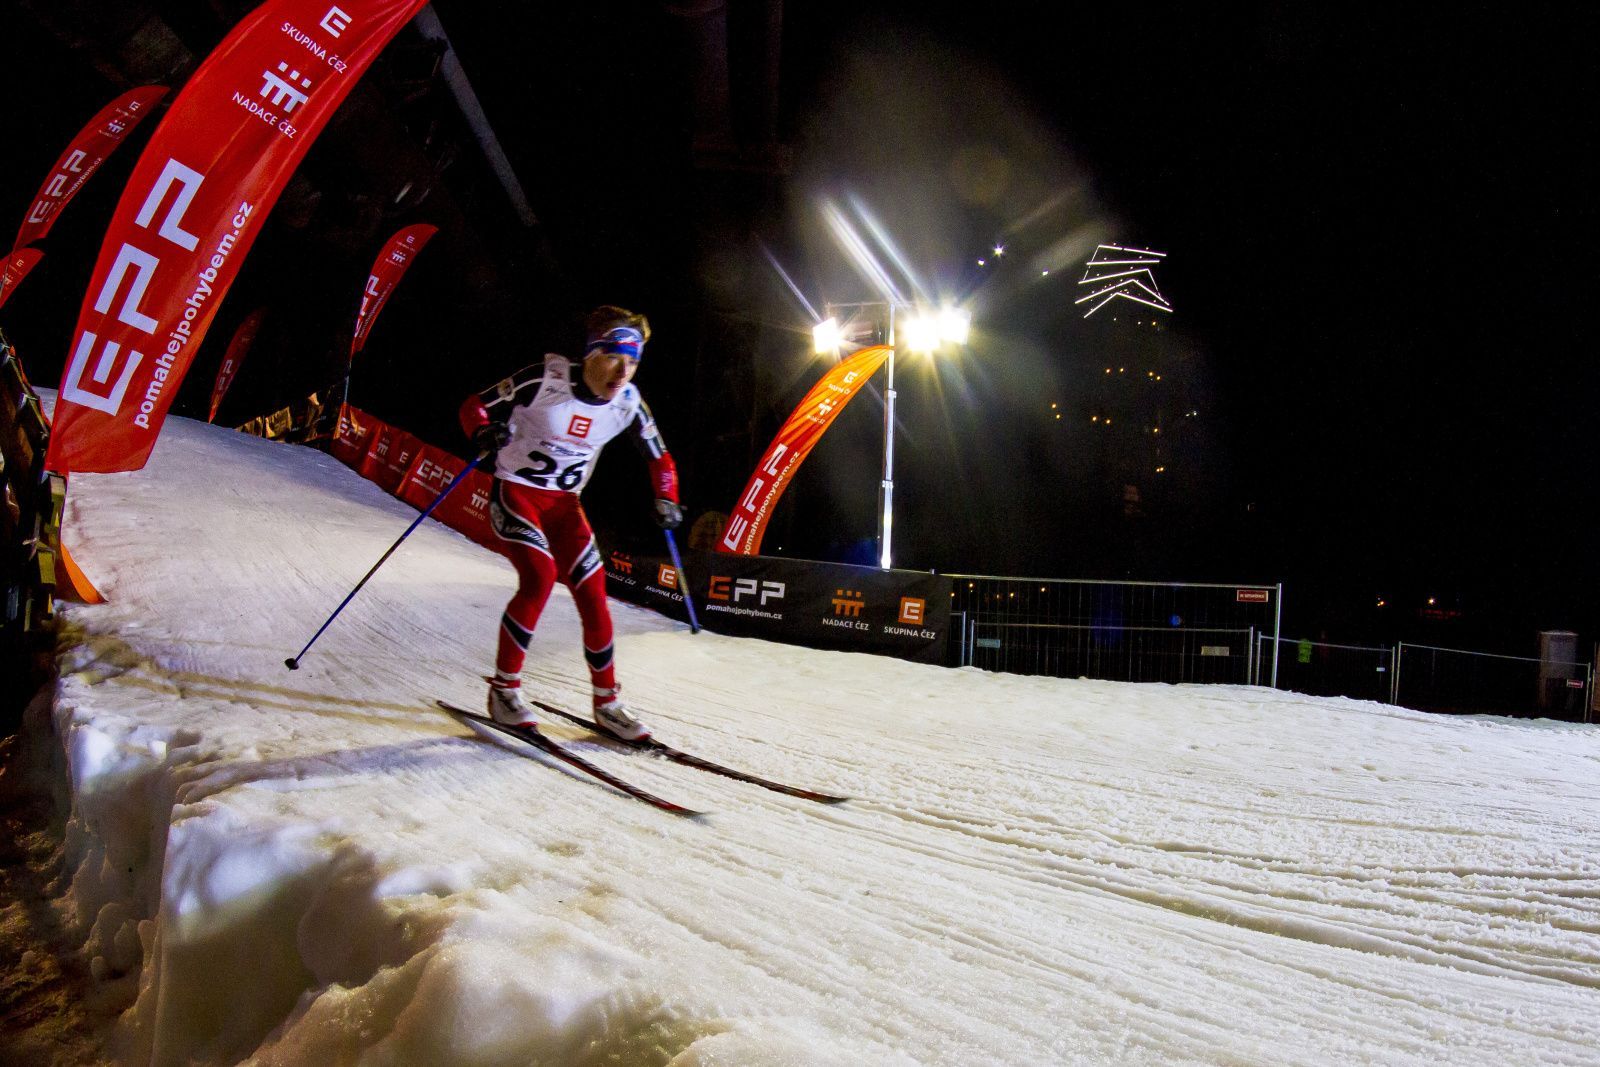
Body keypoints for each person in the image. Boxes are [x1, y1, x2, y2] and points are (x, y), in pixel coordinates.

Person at [458, 305, 682, 740]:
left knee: (595, 595)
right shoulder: (544, 379)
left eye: (633, 360)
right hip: (516, 494)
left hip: (565, 505)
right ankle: (504, 691)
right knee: (539, 577)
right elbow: (474, 407)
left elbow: (661, 458)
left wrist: (667, 497)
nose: (623, 371)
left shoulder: (629, 404)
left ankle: (608, 702)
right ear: (591, 353)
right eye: (615, 356)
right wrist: (483, 433)